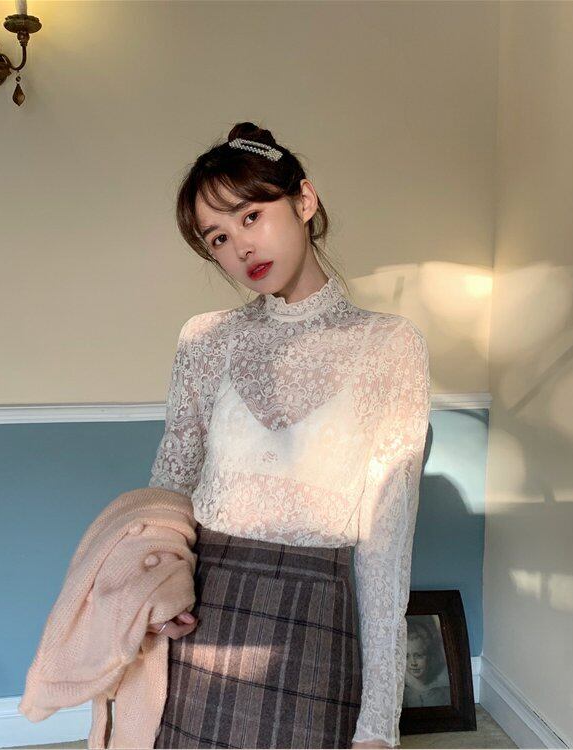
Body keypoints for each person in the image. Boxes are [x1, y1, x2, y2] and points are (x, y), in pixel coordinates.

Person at [145, 122, 431, 749]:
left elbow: (388, 544)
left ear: (304, 200)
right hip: (204, 613)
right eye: (219, 237)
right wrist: (161, 591)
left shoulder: (389, 344)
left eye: (251, 215)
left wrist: (379, 722)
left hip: (317, 618)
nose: (241, 247)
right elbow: (170, 484)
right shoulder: (207, 338)